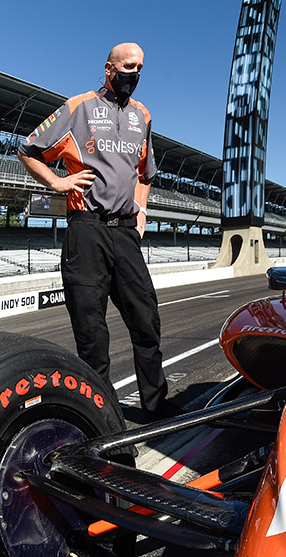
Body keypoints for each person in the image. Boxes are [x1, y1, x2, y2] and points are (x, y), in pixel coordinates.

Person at [18, 43, 179, 421]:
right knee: (91, 335)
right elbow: (27, 150)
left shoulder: (142, 115)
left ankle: (157, 407)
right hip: (86, 230)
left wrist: (141, 212)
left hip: (125, 233)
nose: (134, 75)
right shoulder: (78, 107)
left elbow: (145, 174)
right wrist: (57, 183)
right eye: (128, 67)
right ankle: (105, 421)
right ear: (109, 69)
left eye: (140, 68)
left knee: (146, 322)